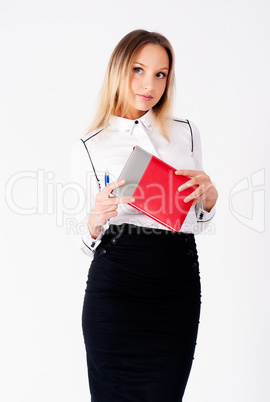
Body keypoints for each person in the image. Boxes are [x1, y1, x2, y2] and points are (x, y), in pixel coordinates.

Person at [70, 29, 218, 402]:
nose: (148, 84)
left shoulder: (186, 133)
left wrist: (210, 198)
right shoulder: (91, 144)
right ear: (120, 70)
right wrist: (95, 219)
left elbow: (196, 222)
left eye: (160, 74)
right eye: (138, 69)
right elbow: (83, 239)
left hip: (176, 286)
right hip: (115, 285)